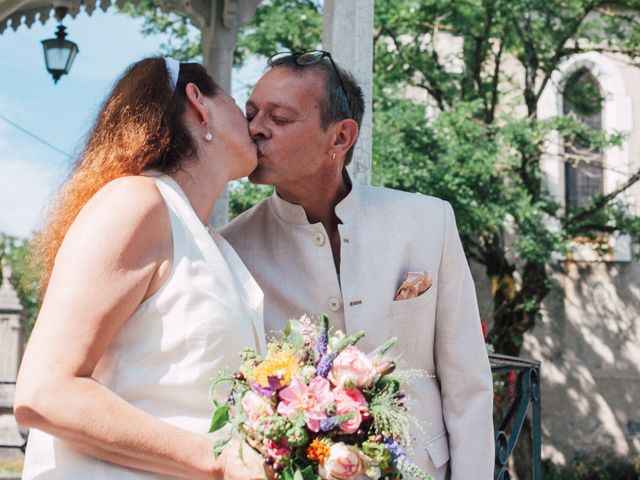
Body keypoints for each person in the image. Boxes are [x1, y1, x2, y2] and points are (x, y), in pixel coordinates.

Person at [220, 50, 495, 479]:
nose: (256, 129)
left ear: (340, 137)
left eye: (280, 117)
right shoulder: (232, 249)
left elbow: (468, 387)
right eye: (252, 113)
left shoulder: (428, 220)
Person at [14, 57, 271, 480]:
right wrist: (219, 458)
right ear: (199, 103)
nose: (256, 127)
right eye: (242, 108)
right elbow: (45, 392)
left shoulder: (212, 242)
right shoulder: (136, 202)